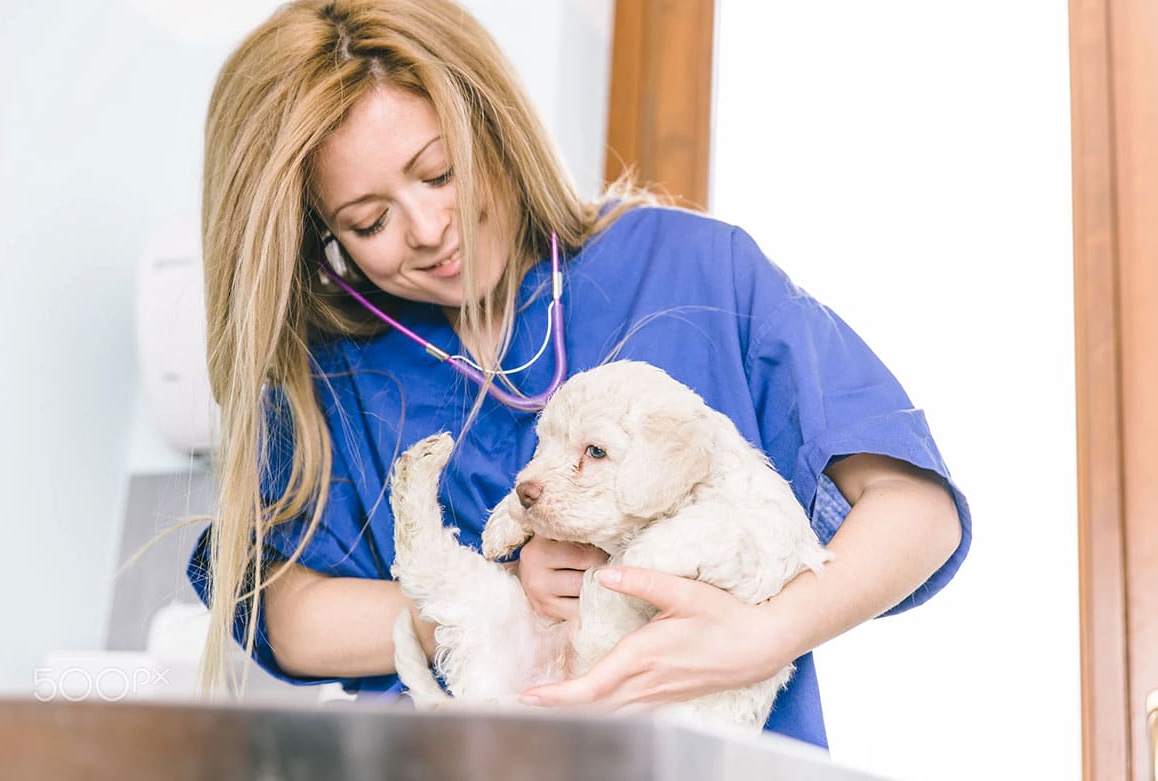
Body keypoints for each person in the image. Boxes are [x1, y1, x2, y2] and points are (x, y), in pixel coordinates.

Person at [187, 0, 970, 750]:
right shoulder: (336, 374)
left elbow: (917, 509)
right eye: (369, 221)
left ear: (493, 124)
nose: (426, 230)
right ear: (324, 235)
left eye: (440, 172)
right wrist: (494, 599)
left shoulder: (693, 271)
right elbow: (286, 612)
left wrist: (765, 634)